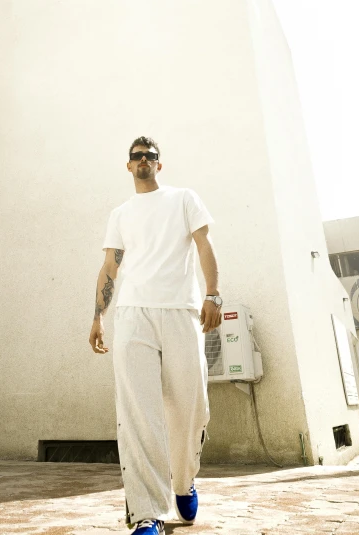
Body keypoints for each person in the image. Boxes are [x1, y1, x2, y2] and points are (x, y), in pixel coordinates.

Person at [89, 136, 223, 534]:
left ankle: (183, 480)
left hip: (181, 311)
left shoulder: (183, 199)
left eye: (150, 156)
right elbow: (110, 267)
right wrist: (98, 315)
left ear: (159, 165)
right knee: (138, 413)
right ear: (128, 166)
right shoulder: (120, 214)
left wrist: (213, 293)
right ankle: (147, 513)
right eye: (137, 157)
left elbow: (204, 245)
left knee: (190, 406)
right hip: (133, 315)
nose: (144, 160)